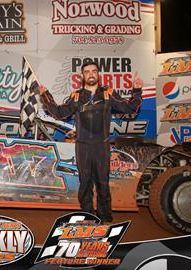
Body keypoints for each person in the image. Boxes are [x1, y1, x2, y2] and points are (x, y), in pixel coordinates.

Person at [39, 61, 143, 224]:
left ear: (98, 74)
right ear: (83, 76)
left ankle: (105, 217)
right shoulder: (76, 96)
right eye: (87, 72)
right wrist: (46, 95)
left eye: (94, 71)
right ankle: (88, 216)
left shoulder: (108, 93)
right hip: (83, 146)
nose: (91, 74)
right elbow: (60, 113)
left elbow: (130, 109)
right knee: (85, 182)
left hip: (102, 146)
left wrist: (136, 90)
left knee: (103, 182)